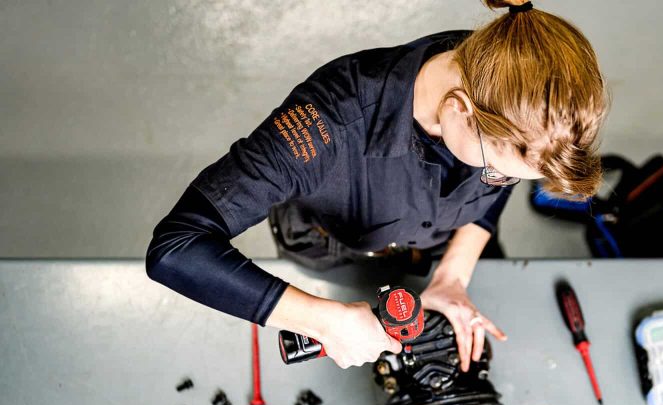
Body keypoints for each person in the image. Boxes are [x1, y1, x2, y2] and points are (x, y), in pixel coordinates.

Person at [147, 0, 607, 370]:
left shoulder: (505, 74)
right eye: (499, 172)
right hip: (337, 246)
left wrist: (452, 275)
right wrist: (323, 320)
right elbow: (178, 248)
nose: (501, 181)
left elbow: (495, 187)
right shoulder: (329, 122)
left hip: (444, 243)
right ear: (458, 109)